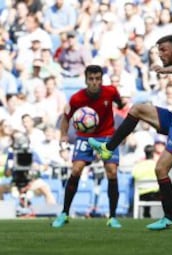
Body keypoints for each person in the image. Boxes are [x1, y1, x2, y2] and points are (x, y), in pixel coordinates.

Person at [88, 35, 172, 230]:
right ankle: (108, 148)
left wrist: (164, 70)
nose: (160, 55)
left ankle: (169, 218)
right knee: (137, 109)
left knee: (160, 169)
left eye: (163, 50)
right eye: (158, 50)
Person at [51, 65, 124, 228]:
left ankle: (112, 217)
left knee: (112, 171)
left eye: (98, 79)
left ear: (101, 80)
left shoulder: (110, 91)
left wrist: (120, 105)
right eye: (91, 79)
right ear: (86, 80)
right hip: (85, 137)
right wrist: (63, 134)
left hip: (107, 136)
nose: (94, 82)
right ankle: (64, 213)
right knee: (76, 169)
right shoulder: (77, 98)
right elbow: (66, 118)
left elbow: (119, 104)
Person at [132, 144, 172, 218]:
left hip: (141, 194)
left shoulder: (138, 165)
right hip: (156, 195)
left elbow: (134, 175)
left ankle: (146, 213)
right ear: (153, 153)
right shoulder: (157, 165)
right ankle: (170, 213)